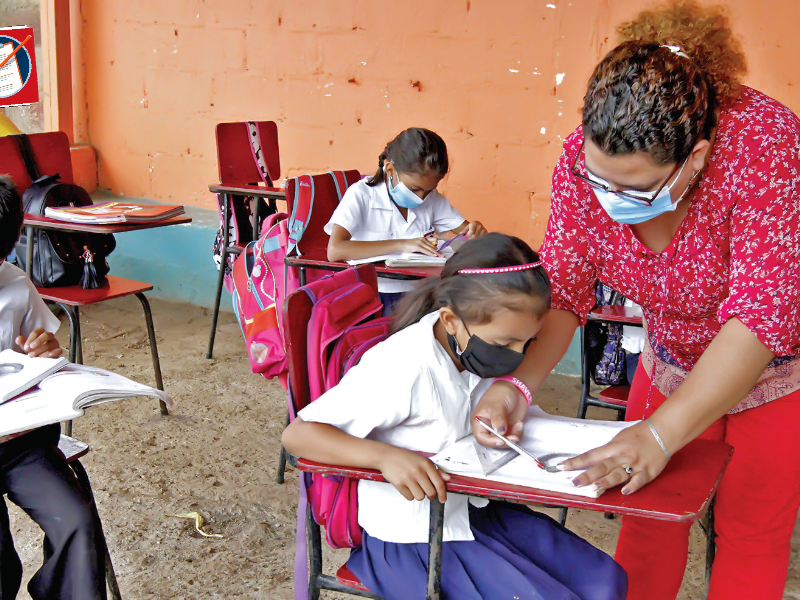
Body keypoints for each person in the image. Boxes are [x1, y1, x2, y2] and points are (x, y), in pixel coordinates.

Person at [472, 2, 800, 600]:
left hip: (776, 376)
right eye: (600, 180)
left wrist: (658, 435)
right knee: (645, 517)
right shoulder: (581, 159)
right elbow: (566, 287)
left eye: (632, 187)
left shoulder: (764, 145)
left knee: (751, 535)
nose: (608, 198)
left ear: (695, 159)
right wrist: (518, 385)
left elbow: (763, 314)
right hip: (670, 361)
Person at [283, 233, 627, 600]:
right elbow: (298, 436)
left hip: (478, 509)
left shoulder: (471, 338)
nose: (517, 356)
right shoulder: (402, 366)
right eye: (505, 344)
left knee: (605, 581)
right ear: (450, 320)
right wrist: (385, 457)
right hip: (411, 539)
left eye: (528, 342)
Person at [0, 177, 107, 600]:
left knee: (76, 522)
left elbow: (44, 347)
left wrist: (46, 351)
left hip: (19, 443)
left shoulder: (15, 285)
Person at [325, 127, 487, 314]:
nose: (421, 197)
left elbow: (467, 232)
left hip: (421, 294)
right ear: (390, 169)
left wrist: (476, 231)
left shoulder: (432, 198)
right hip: (374, 295)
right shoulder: (362, 195)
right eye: (415, 188)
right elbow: (335, 250)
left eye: (428, 190)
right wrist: (403, 244)